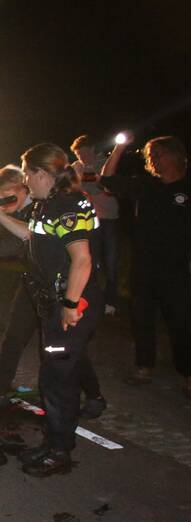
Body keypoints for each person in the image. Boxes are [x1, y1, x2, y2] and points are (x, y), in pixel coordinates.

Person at [0, 166, 106, 418]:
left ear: (25, 185)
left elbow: (23, 240)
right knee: (14, 338)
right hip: (33, 284)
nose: (6, 199)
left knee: (61, 349)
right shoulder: (25, 209)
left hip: (57, 287)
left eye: (9, 193)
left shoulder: (46, 205)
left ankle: (91, 398)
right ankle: (0, 392)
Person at [0, 143, 103, 477]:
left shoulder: (65, 206)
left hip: (69, 303)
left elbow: (82, 259)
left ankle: (60, 451)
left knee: (58, 380)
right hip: (52, 303)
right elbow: (30, 236)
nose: (25, 183)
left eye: (27, 175)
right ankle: (54, 442)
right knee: (54, 374)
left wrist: (69, 305)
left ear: (41, 173)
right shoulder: (47, 205)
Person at [100, 135, 190, 398]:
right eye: (150, 156)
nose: (153, 160)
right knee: (142, 319)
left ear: (176, 155)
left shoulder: (187, 187)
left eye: (158, 154)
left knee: (181, 322)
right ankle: (144, 367)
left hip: (176, 268)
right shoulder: (145, 185)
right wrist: (119, 148)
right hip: (144, 267)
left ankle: (188, 373)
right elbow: (107, 182)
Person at [71, 135, 121, 315]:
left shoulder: (106, 163)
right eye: (77, 154)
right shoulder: (76, 167)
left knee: (111, 262)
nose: (81, 157)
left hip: (109, 219)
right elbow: (75, 187)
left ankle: (111, 301)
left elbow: (100, 186)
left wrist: (92, 185)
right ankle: (89, 298)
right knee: (88, 260)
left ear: (92, 149)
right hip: (89, 221)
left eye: (83, 152)